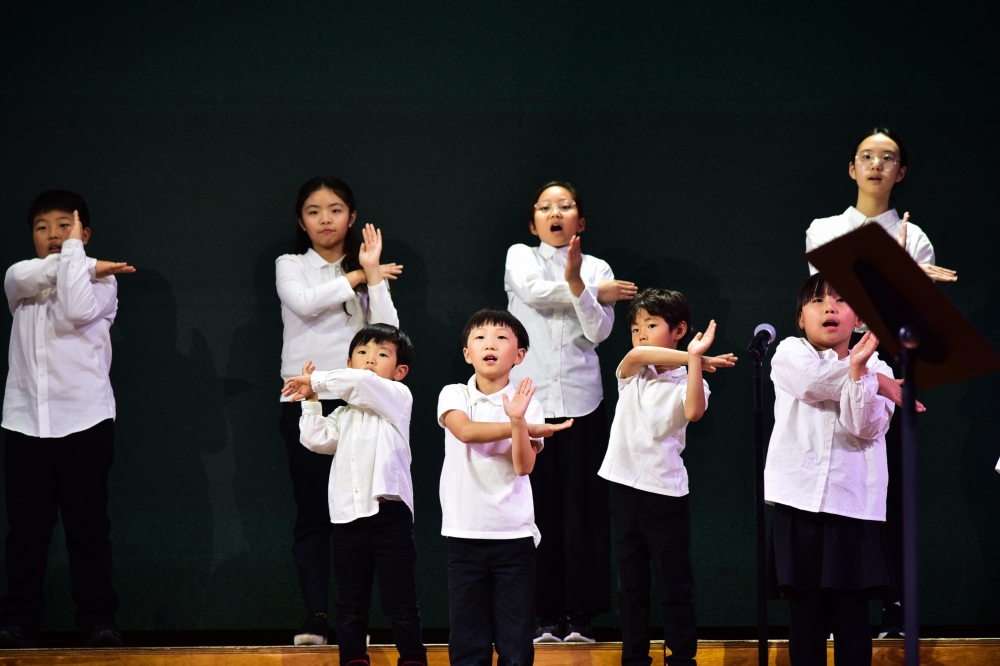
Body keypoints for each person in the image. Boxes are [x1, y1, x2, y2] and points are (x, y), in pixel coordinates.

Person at [804, 128, 951, 637]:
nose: (876, 165)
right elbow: (833, 296)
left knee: (888, 483)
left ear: (900, 172)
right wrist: (898, 273)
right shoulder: (825, 228)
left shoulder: (916, 237)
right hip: (836, 359)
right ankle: (830, 605)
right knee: (832, 477)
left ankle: (894, 606)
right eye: (866, 156)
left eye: (887, 158)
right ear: (851, 168)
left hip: (889, 357)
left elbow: (916, 318)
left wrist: (909, 282)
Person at [1, 192, 135, 649]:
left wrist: (83, 260)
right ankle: (19, 620)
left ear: (84, 233)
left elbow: (76, 308)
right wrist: (83, 260)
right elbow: (21, 276)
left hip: (85, 421)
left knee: (88, 529)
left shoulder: (104, 281)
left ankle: (98, 620)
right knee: (26, 532)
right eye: (43, 228)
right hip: (25, 422)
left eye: (65, 226)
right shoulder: (21, 275)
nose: (54, 235)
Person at [504, 181, 636, 643]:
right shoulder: (521, 255)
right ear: (533, 222)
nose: (555, 213)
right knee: (536, 508)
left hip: (582, 401)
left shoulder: (597, 267)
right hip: (530, 401)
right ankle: (541, 614)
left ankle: (580, 614)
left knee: (584, 512)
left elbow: (599, 332)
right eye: (545, 207)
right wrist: (590, 290)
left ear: (581, 220)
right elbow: (533, 291)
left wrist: (584, 282)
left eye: (565, 206)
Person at [275, 176, 403, 645]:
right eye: (314, 211)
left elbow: (388, 331)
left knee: (360, 516)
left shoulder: (366, 270)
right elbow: (304, 303)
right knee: (312, 513)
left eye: (335, 210)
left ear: (351, 217)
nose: (325, 219)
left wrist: (371, 276)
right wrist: (358, 276)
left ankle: (356, 621)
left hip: (358, 401)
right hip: (305, 397)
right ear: (301, 220)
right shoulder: (290, 264)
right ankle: (316, 616)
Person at [598, 288, 736, 666]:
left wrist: (694, 363)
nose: (641, 334)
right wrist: (697, 356)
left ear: (679, 330)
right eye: (635, 328)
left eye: (651, 325)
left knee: (674, 583)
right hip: (623, 487)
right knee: (630, 584)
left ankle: (682, 658)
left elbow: (693, 412)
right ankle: (634, 658)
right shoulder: (633, 373)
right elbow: (636, 356)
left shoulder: (691, 380)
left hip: (664, 493)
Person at [765, 274, 897, 666]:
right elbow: (810, 383)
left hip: (853, 504)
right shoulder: (789, 352)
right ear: (801, 318)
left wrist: (864, 372)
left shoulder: (877, 364)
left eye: (841, 300)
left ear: (859, 320)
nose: (829, 307)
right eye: (818, 301)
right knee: (804, 617)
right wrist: (874, 380)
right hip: (799, 502)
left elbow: (864, 426)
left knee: (852, 618)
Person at [282, 323, 426, 666]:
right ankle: (353, 659)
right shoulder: (342, 414)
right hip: (348, 518)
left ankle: (412, 659)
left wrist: (317, 380)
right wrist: (312, 401)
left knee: (400, 600)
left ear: (400, 371)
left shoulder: (398, 398)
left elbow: (362, 383)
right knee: (350, 602)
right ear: (348, 362)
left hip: (389, 515)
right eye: (362, 353)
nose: (370, 359)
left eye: (382, 354)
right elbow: (316, 440)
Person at [438, 306, 572, 666]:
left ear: (520, 355)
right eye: (480, 337)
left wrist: (519, 422)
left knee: (516, 641)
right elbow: (465, 431)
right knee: (468, 640)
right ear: (467, 354)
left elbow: (523, 466)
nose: (489, 344)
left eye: (501, 337)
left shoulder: (529, 405)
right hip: (464, 534)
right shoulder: (454, 394)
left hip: (513, 536)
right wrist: (522, 426)